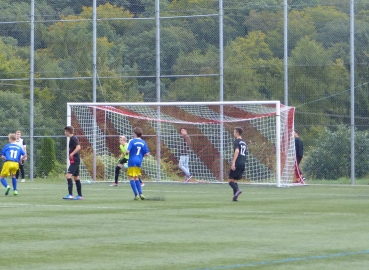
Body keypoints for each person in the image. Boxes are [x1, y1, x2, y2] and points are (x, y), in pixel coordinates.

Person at [126, 127, 149, 200]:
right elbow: (147, 153)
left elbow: (127, 151)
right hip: (139, 161)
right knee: (137, 177)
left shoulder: (132, 141)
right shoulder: (143, 142)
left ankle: (136, 195)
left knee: (131, 178)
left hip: (132, 160)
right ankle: (141, 194)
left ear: (135, 134)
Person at [63, 126, 83, 200]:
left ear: (68, 131)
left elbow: (78, 147)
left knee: (68, 176)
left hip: (75, 160)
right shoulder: (73, 138)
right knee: (76, 177)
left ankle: (70, 195)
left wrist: (71, 154)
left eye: (65, 131)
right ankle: (80, 195)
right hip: (75, 160)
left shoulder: (73, 138)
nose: (65, 133)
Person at [228, 127, 247, 202]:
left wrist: (233, 162)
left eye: (234, 132)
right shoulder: (244, 142)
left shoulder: (236, 141)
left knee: (230, 181)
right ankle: (235, 197)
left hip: (238, 162)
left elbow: (237, 151)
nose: (233, 133)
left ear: (237, 133)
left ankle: (237, 190)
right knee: (235, 180)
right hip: (243, 162)